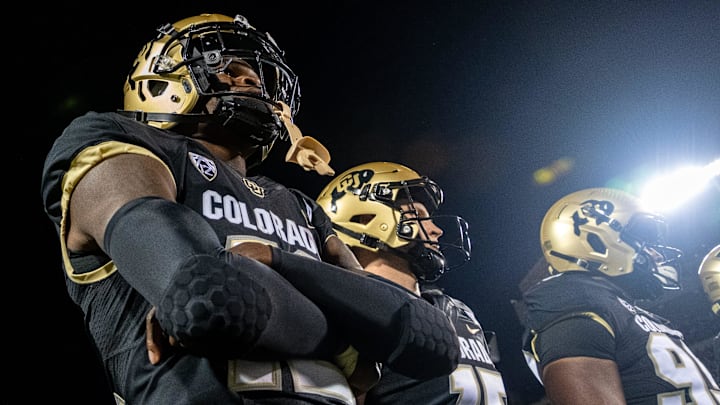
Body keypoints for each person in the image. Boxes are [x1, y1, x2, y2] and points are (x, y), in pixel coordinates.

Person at [41, 13, 460, 404]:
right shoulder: (119, 139)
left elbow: (431, 338)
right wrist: (349, 341)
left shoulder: (298, 203)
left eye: (256, 71)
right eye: (223, 63)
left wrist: (274, 260)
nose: (251, 78)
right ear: (160, 81)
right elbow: (210, 299)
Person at [315, 161, 508, 404]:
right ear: (364, 218)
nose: (436, 230)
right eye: (418, 215)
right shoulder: (354, 310)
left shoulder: (458, 310)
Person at [521, 187, 720, 404]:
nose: (654, 253)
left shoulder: (617, 307)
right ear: (595, 238)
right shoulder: (574, 299)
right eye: (642, 239)